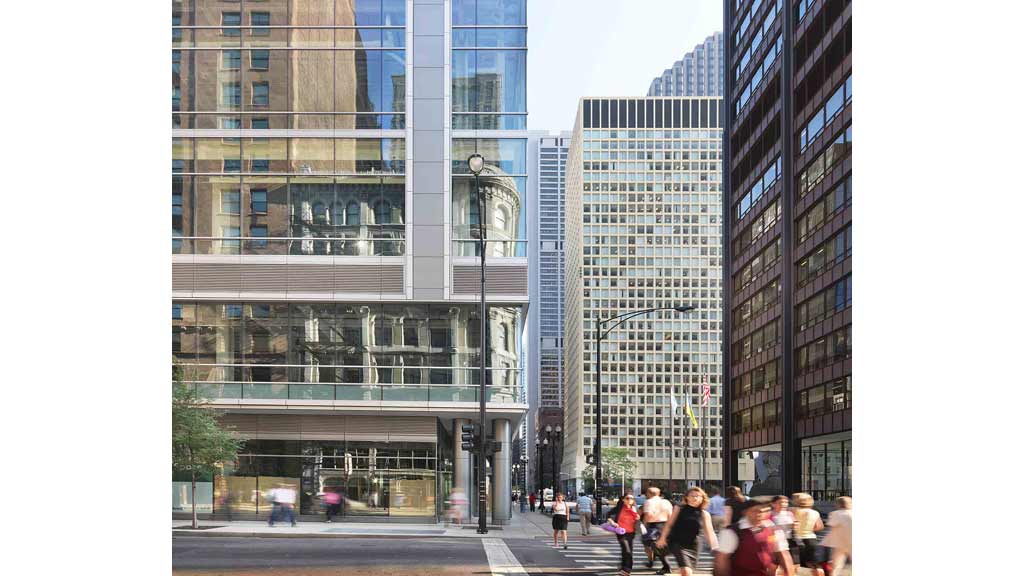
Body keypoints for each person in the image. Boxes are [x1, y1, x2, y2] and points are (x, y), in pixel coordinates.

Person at [714, 497, 795, 576]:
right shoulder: (732, 532)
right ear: (746, 512)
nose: (761, 514)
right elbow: (722, 560)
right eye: (756, 511)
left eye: (766, 511)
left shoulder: (774, 530)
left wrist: (789, 573)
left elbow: (783, 554)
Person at [657, 487, 719, 576]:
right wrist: (662, 538)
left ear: (702, 498)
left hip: (694, 546)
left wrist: (715, 548)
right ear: (687, 497)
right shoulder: (679, 508)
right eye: (692, 496)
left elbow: (709, 532)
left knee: (688, 572)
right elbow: (669, 524)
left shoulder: (704, 514)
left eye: (698, 496)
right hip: (677, 542)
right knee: (686, 571)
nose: (695, 498)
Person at [606, 492, 641, 576]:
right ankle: (626, 570)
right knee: (626, 550)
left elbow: (638, 519)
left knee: (628, 551)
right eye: (627, 498)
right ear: (623, 499)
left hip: (631, 533)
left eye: (631, 498)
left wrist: (636, 514)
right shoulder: (619, 508)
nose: (630, 500)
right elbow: (608, 515)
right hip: (621, 532)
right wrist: (612, 522)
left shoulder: (634, 508)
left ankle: (625, 567)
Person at [641, 486, 674, 574]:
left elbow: (648, 516)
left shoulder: (649, 502)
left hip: (653, 526)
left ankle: (665, 566)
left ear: (648, 493)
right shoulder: (666, 502)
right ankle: (662, 564)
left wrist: (644, 525)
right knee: (660, 546)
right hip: (665, 524)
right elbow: (670, 515)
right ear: (659, 494)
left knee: (653, 545)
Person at [792, 493, 824, 574]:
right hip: (811, 539)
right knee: (814, 565)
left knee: (794, 565)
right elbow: (820, 526)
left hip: (796, 540)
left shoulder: (792, 510)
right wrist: (809, 529)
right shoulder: (815, 512)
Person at [822, 497, 852, 576]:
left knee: (837, 564)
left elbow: (831, 525)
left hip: (840, 542)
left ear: (838, 504)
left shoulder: (836, 513)